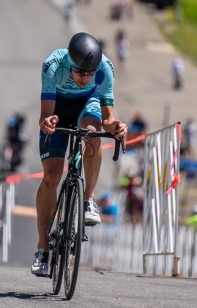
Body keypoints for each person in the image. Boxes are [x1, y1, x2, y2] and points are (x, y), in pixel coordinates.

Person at [31, 32, 127, 276]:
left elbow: (108, 118)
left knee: (91, 133)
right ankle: (43, 248)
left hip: (88, 105)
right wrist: (47, 122)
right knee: (51, 177)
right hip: (58, 108)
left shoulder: (104, 68)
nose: (85, 77)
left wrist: (114, 127)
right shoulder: (53, 65)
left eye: (90, 73)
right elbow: (46, 115)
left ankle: (88, 199)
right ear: (69, 64)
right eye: (80, 72)